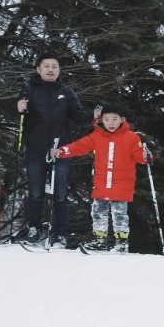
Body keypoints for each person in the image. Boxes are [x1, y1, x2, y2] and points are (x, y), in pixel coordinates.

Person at [51, 107, 150, 253]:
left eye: (115, 119)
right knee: (97, 212)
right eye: (107, 119)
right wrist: (63, 151)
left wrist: (146, 156)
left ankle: (122, 243)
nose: (111, 123)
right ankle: (99, 240)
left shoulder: (131, 137)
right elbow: (80, 146)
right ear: (101, 120)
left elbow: (139, 156)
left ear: (122, 120)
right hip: (101, 182)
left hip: (122, 183)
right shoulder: (96, 136)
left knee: (119, 214)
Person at [16, 55, 83, 244]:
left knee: (60, 193)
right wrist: (19, 108)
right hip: (35, 149)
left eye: (54, 66)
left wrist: (97, 120)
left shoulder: (67, 92)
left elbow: (79, 116)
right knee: (36, 192)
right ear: (38, 69)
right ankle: (34, 230)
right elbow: (17, 118)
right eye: (46, 66)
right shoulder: (28, 90)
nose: (50, 69)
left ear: (59, 70)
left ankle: (61, 234)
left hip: (60, 149)